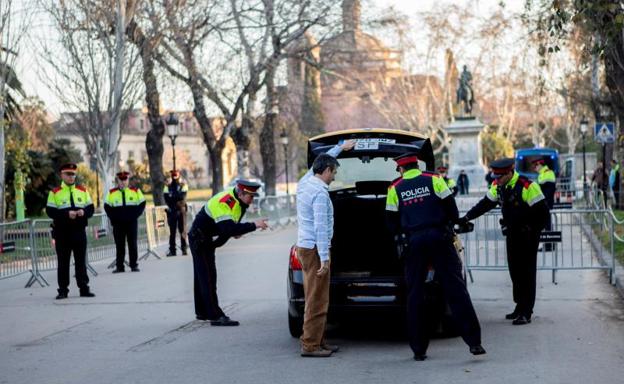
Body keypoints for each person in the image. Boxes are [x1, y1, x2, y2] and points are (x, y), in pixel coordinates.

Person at [386, 153, 485, 361]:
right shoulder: (435, 179)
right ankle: (474, 342)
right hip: (440, 237)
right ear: (417, 165)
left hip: (414, 242)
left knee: (415, 293)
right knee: (456, 289)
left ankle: (419, 350)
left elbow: (391, 223)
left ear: (401, 169)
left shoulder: (394, 188)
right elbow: (452, 209)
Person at [458, 158, 550, 325]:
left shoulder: (528, 186)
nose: (496, 179)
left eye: (500, 176)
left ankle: (526, 311)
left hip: (528, 236)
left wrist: (531, 231)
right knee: (514, 271)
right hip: (512, 234)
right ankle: (519, 305)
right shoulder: (498, 186)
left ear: (510, 172)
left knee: (526, 273)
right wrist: (466, 217)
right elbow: (485, 204)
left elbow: (543, 215)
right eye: (495, 176)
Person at [296, 139, 356, 358]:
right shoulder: (320, 194)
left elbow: (318, 163)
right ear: (327, 170)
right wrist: (325, 259)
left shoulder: (305, 183)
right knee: (317, 299)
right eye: (333, 172)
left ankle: (318, 340)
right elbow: (321, 229)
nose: (334, 177)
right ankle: (311, 345)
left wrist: (340, 147)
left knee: (313, 296)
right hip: (314, 250)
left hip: (304, 247)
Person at [188, 179, 269, 326]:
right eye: (250, 197)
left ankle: (203, 312)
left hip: (205, 239)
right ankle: (215, 316)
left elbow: (231, 226)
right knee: (207, 278)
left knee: (205, 277)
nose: (252, 201)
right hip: (199, 238)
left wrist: (235, 231)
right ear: (242, 193)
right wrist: (254, 225)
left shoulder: (238, 202)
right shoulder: (227, 202)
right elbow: (229, 229)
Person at [46, 163, 95, 299]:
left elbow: (91, 209)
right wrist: (67, 214)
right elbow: (50, 211)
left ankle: (84, 288)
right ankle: (63, 290)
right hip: (62, 234)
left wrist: (83, 211)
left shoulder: (83, 191)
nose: (71, 176)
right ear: (62, 175)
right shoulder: (54, 192)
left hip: (79, 232)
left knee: (81, 262)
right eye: (68, 174)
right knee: (63, 263)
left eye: (73, 174)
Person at [104, 171, 146, 273]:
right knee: (119, 245)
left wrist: (134, 216)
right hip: (118, 224)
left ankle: (134, 265)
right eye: (121, 180)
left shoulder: (136, 191)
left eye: (125, 179)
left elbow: (142, 204)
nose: (123, 182)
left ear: (128, 180)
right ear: (117, 180)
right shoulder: (111, 193)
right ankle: (120, 267)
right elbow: (107, 207)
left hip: (131, 223)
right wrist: (114, 219)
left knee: (132, 244)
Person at [533, 159, 556, 251]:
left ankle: (549, 245)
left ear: (540, 165)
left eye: (536, 166)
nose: (535, 169)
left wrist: (544, 203)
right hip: (543, 204)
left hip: (546, 204)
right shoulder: (542, 174)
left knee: (547, 225)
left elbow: (549, 191)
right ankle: (548, 245)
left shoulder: (548, 173)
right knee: (545, 224)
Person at [164, 170, 188, 256]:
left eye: (176, 174)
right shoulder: (167, 186)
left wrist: (173, 197)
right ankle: (172, 250)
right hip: (172, 211)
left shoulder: (183, 185)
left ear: (179, 174)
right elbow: (167, 198)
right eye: (172, 174)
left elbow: (182, 197)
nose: (174, 175)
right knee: (172, 232)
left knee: (182, 230)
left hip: (181, 210)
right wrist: (176, 197)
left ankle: (184, 249)